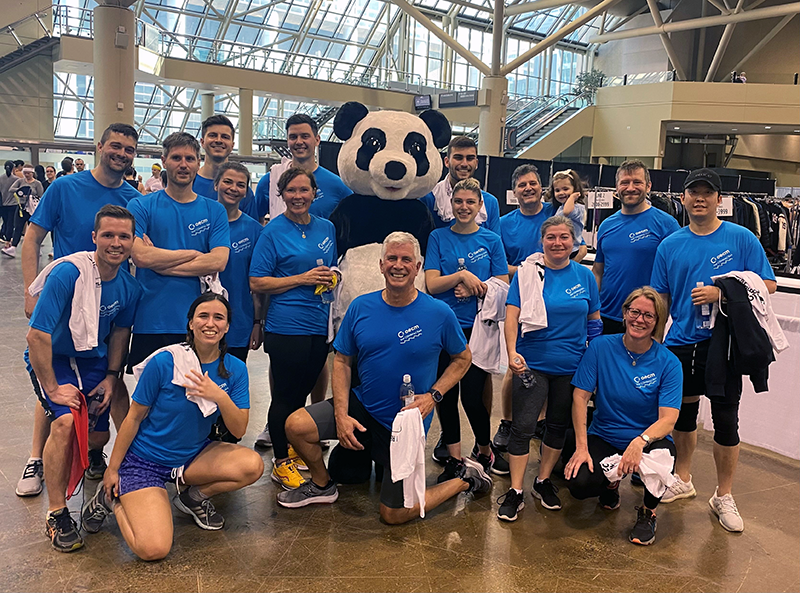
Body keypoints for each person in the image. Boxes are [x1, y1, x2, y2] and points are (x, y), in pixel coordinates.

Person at [276, 232, 493, 522]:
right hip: (364, 407)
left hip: (406, 424)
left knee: (393, 514)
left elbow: (463, 358)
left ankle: (466, 478)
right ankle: (322, 485)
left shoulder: (438, 313)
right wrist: (341, 414)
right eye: (392, 258)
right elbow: (341, 361)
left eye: (406, 259)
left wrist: (434, 396)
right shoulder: (360, 307)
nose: (398, 265)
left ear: (417, 268)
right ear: (381, 265)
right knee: (296, 425)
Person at [80, 293, 264, 561]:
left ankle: (192, 498)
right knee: (153, 549)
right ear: (190, 323)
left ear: (226, 327)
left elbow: (238, 430)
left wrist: (219, 395)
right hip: (145, 461)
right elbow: (133, 418)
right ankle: (110, 500)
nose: (210, 323)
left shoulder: (235, 369)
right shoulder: (166, 362)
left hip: (191, 457)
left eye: (218, 317)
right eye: (203, 316)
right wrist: (112, 469)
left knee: (252, 465)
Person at [16, 123, 141, 499]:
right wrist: (29, 288)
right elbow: (33, 237)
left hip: (99, 318)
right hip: (62, 299)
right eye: (115, 146)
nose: (121, 153)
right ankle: (37, 458)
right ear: (100, 146)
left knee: (96, 390)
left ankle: (96, 454)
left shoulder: (133, 199)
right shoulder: (65, 187)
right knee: (56, 395)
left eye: (129, 149)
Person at [651, 168, 777, 533]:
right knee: (683, 416)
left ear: (720, 200)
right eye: (694, 193)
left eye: (708, 193)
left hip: (724, 346)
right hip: (681, 344)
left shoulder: (741, 237)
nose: (700, 199)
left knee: (725, 420)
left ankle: (723, 494)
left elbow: (768, 285)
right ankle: (684, 477)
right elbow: (662, 296)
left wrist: (724, 292)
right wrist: (656, 346)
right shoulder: (670, 245)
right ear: (684, 199)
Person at [26, 205, 142, 552]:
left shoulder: (130, 287)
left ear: (133, 241)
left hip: (93, 361)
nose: (116, 243)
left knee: (96, 436)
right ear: (94, 238)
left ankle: (97, 462)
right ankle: (57, 512)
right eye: (108, 235)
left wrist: (111, 377)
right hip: (55, 360)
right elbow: (37, 337)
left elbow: (120, 334)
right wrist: (52, 388)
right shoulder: (69, 274)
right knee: (64, 423)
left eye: (124, 236)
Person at [497, 215, 601, 521]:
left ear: (574, 242)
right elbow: (512, 316)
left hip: (571, 366)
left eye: (564, 237)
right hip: (533, 365)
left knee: (556, 426)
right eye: (551, 238)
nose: (558, 243)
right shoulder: (527, 275)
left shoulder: (584, 277)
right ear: (542, 242)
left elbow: (594, 322)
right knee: (523, 427)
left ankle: (542, 482)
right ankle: (516, 490)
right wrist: (513, 352)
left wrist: (591, 361)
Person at [563, 287, 682, 545]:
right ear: (624, 313)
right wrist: (581, 447)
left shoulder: (669, 362)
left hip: (647, 438)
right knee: (579, 483)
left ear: (657, 322)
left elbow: (668, 419)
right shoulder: (600, 347)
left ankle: (648, 512)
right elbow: (580, 397)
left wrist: (639, 442)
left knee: (662, 462)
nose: (639, 320)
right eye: (634, 312)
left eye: (648, 316)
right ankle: (611, 484)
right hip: (605, 434)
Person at [249, 167, 337, 489]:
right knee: (285, 397)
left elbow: (330, 267)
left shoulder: (326, 228)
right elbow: (257, 280)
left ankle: (295, 448)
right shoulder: (272, 232)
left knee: (301, 393)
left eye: (304, 190)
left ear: (314, 193)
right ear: (281, 195)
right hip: (287, 327)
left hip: (319, 325)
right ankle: (281, 461)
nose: (298, 196)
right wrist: (301, 279)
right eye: (291, 191)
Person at [424, 178, 509, 476]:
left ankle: (485, 450)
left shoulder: (491, 240)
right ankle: (454, 457)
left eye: (470, 202)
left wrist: (478, 286)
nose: (463, 207)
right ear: (451, 204)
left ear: (479, 206)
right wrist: (462, 276)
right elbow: (432, 284)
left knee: (473, 396)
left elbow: (503, 284)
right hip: (443, 329)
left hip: (477, 331)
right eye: (458, 201)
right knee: (445, 394)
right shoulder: (437, 237)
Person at [126, 132, 230, 372]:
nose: (183, 165)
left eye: (190, 159)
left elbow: (219, 260)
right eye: (176, 158)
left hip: (198, 323)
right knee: (148, 402)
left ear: (198, 162)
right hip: (150, 320)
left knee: (195, 400)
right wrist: (195, 254)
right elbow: (140, 256)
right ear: (164, 161)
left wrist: (157, 261)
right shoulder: (141, 205)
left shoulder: (214, 210)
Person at [492, 164, 557, 452]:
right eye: (522, 185)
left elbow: (576, 248)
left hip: (553, 300)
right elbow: (497, 265)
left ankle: (540, 421)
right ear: (514, 191)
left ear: (541, 187)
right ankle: (507, 421)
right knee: (514, 363)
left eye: (533, 183)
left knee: (544, 362)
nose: (528, 188)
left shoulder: (555, 215)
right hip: (519, 298)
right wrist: (528, 270)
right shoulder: (505, 224)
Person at [593, 160, 680, 335]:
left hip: (646, 319)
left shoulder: (666, 225)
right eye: (625, 182)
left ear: (648, 186)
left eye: (637, 182)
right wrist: (593, 311)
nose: (630, 188)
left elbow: (676, 275)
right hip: (607, 316)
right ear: (616, 188)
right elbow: (598, 271)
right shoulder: (606, 225)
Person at [255, 113, 351, 221]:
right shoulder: (270, 181)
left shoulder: (337, 185)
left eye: (305, 136)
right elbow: (255, 223)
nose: (299, 142)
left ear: (317, 140)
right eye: (293, 137)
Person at [215, 162, 264, 364]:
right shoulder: (202, 222)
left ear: (246, 192)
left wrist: (257, 322)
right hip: (199, 320)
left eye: (241, 185)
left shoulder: (254, 230)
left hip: (239, 321)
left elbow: (259, 284)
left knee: (231, 383)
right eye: (228, 182)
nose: (234, 189)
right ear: (216, 184)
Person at [419, 136, 501, 236]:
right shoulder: (428, 198)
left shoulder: (490, 202)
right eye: (458, 157)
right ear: (446, 162)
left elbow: (494, 244)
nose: (464, 164)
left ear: (476, 163)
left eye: (470, 158)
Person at [193, 114, 261, 221]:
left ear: (232, 145)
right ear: (202, 142)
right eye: (213, 135)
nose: (219, 140)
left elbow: (251, 230)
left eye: (225, 137)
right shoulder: (189, 184)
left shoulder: (242, 191)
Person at [543, 169, 588, 262]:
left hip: (571, 249)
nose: (561, 193)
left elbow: (567, 211)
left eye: (565, 189)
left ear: (575, 189)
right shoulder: (561, 207)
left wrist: (573, 197)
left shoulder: (577, 207)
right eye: (557, 190)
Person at [2, 164, 44, 258]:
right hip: (21, 207)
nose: (27, 175)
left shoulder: (37, 183)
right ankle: (13, 248)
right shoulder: (20, 181)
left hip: (32, 209)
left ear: (32, 173)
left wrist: (31, 194)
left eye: (28, 173)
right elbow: (11, 189)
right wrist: (21, 190)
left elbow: (41, 195)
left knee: (34, 229)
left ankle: (37, 247)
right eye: (25, 173)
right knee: (18, 228)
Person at [0, 160, 22, 243]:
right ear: (13, 168)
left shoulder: (1, 178)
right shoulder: (16, 179)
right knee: (11, 223)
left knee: (5, 222)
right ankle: (8, 239)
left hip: (3, 204)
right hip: (13, 204)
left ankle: (5, 236)